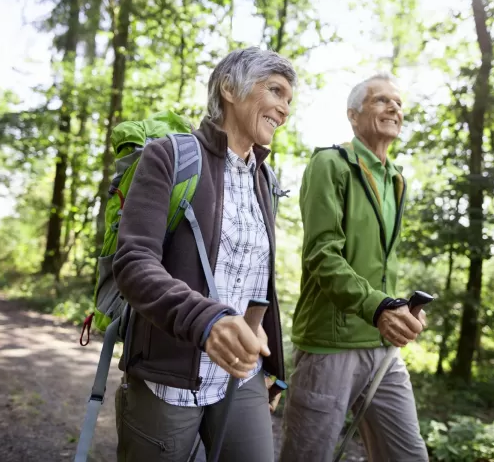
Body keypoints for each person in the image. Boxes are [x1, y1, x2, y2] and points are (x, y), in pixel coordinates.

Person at [111, 47, 296, 462]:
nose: (284, 109)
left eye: (289, 100)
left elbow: (258, 280)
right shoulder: (170, 156)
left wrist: (274, 369)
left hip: (241, 373)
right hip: (169, 376)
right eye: (276, 91)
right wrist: (209, 321)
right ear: (230, 88)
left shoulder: (264, 178)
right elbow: (134, 263)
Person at [279, 72, 429, 462]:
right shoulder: (331, 164)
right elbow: (321, 255)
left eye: (398, 103)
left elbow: (380, 264)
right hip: (329, 345)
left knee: (409, 456)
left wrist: (399, 310)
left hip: (382, 346)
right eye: (381, 100)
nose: (393, 107)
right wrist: (378, 307)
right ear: (353, 114)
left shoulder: (396, 179)